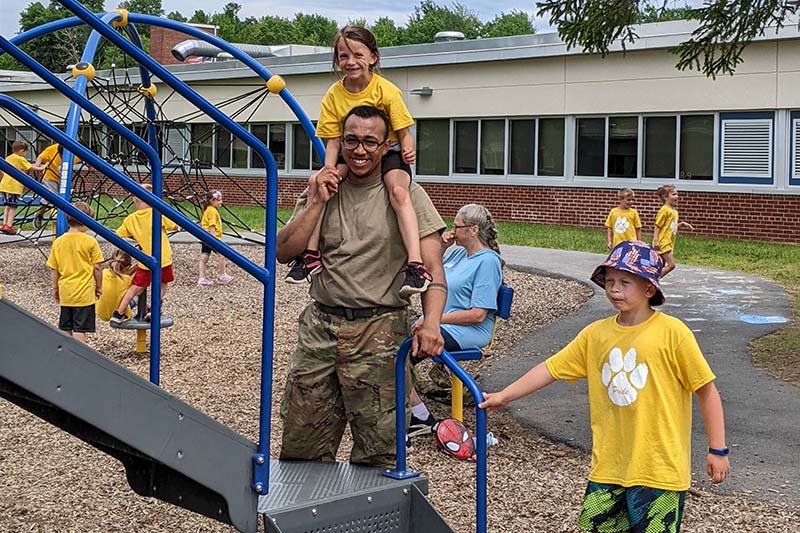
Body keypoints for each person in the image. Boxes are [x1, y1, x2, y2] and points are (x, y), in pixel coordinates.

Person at [480, 240, 729, 533]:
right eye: (609, 281)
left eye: (625, 282)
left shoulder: (674, 334)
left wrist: (718, 449)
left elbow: (706, 390)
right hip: (609, 467)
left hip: (659, 470)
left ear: (649, 289)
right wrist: (504, 396)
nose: (614, 289)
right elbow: (550, 368)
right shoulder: (596, 335)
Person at [276, 105, 447, 468]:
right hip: (320, 330)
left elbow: (433, 270)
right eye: (351, 140)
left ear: (386, 147)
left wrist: (432, 323)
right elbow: (283, 250)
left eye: (370, 142)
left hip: (380, 332)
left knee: (380, 450)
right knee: (301, 444)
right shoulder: (324, 188)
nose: (359, 150)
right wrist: (316, 201)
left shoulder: (407, 194)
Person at [285, 26, 430, 298]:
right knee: (319, 183)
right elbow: (333, 140)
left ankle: (416, 264)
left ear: (373, 57)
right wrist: (328, 171)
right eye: (343, 56)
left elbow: (403, 131)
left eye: (357, 55)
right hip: (351, 152)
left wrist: (408, 150)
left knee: (398, 191)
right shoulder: (333, 95)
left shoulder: (386, 90)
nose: (350, 62)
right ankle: (311, 255)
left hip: (387, 150)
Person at [407, 203, 503, 437]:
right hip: (443, 323)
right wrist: (441, 246)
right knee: (391, 338)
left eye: (457, 226)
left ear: (473, 230)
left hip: (468, 331)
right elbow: (433, 271)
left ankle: (418, 416)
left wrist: (433, 320)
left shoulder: (488, 262)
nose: (453, 230)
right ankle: (410, 410)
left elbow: (478, 314)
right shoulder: (459, 252)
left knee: (397, 354)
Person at [110, 184, 178, 324]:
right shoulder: (158, 213)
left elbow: (118, 235)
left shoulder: (130, 219)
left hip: (145, 259)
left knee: (135, 287)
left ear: (134, 200)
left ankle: (118, 313)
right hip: (163, 258)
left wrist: (137, 236)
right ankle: (154, 308)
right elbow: (175, 226)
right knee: (162, 283)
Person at [46, 201, 104, 343]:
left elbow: (54, 269)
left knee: (66, 326)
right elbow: (97, 268)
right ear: (86, 221)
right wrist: (99, 286)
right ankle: (80, 356)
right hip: (83, 293)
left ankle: (66, 355)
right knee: (80, 328)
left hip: (66, 291)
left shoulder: (59, 242)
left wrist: (55, 288)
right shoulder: (90, 242)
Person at [1, 141, 45, 235]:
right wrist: (43, 168)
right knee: (13, 206)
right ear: (21, 151)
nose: (25, 154)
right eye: (25, 152)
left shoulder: (9, 158)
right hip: (13, 186)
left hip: (5, 185)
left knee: (7, 206)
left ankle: (4, 224)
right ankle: (9, 226)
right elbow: (30, 167)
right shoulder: (19, 158)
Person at [32, 143, 81, 229]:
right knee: (50, 195)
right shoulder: (52, 149)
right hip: (49, 176)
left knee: (66, 198)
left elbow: (86, 157)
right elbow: (41, 157)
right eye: (61, 156)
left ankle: (65, 219)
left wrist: (90, 166)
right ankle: (39, 214)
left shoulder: (76, 151)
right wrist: (37, 165)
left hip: (63, 178)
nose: (63, 158)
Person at [653, 184, 694, 278]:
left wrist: (681, 224)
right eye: (674, 194)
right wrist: (656, 240)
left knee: (661, 266)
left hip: (669, 242)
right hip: (663, 242)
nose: (677, 196)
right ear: (665, 197)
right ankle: (653, 280)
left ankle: (652, 282)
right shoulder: (664, 210)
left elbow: (669, 227)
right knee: (671, 265)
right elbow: (657, 226)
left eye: (677, 194)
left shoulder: (674, 211)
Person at [198, 190, 234, 287]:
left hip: (204, 237)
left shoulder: (207, 209)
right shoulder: (213, 211)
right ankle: (222, 275)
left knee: (204, 258)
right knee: (222, 254)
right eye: (219, 200)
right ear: (213, 200)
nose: (221, 202)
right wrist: (214, 241)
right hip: (211, 237)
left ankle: (201, 279)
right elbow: (212, 226)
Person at [96, 250, 135, 322]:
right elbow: (127, 276)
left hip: (100, 312)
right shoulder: (127, 280)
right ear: (127, 267)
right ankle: (147, 309)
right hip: (116, 313)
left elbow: (124, 274)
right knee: (134, 295)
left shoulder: (104, 273)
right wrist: (139, 265)